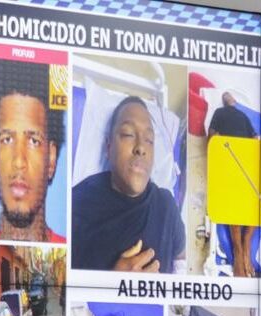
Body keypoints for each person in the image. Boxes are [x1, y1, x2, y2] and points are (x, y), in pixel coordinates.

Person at [72, 96, 185, 273]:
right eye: (128, 134)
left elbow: (181, 257)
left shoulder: (166, 206)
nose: (141, 148)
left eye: (149, 140)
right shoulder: (77, 206)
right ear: (108, 147)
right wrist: (114, 283)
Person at [0, 58, 66, 242]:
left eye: (34, 141)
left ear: (51, 159)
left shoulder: (75, 251)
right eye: (7, 139)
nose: (19, 161)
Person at [207, 91, 261, 278]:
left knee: (257, 195)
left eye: (230, 96)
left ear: (234, 101)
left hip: (246, 161)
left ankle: (245, 244)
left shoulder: (244, 117)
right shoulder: (219, 113)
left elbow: (257, 141)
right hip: (230, 161)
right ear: (226, 101)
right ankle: (239, 250)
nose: (228, 98)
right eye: (226, 96)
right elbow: (212, 140)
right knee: (235, 199)